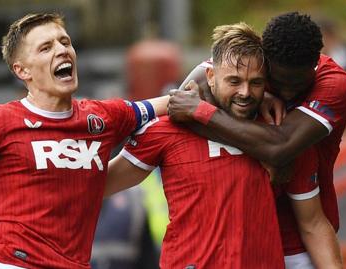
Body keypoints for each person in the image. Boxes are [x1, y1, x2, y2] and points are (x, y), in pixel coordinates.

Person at [0, 13, 169, 269]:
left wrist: (206, 78)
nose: (62, 50)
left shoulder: (102, 117)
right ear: (22, 70)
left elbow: (170, 103)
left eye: (65, 42)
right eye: (46, 47)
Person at [105, 22, 318, 268]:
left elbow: (314, 222)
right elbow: (100, 185)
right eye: (234, 81)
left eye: (256, 83)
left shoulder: (278, 134)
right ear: (210, 76)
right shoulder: (167, 128)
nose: (245, 92)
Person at [168, 12, 346, 268]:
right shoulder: (250, 63)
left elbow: (280, 146)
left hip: (298, 241)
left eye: (298, 85)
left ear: (314, 65)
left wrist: (202, 113)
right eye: (277, 82)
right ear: (266, 60)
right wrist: (258, 104)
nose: (287, 92)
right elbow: (184, 100)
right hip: (235, 242)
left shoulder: (335, 83)